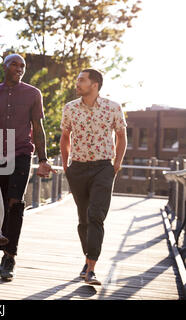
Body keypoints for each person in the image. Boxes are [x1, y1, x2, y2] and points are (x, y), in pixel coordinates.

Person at [0, 53, 56, 281]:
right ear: (4, 67)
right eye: (14, 64)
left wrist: (43, 159)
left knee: (16, 202)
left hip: (22, 152)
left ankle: (9, 256)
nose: (19, 68)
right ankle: (3, 243)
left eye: (22, 65)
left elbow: (38, 127)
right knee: (1, 202)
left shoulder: (33, 93)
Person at [60, 68, 127, 286]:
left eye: (82, 80)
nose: (77, 84)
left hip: (102, 168)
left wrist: (116, 164)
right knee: (83, 219)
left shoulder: (113, 107)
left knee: (96, 215)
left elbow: (121, 136)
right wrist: (65, 165)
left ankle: (91, 269)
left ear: (94, 85)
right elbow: (65, 137)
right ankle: (87, 260)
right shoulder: (70, 108)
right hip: (77, 168)